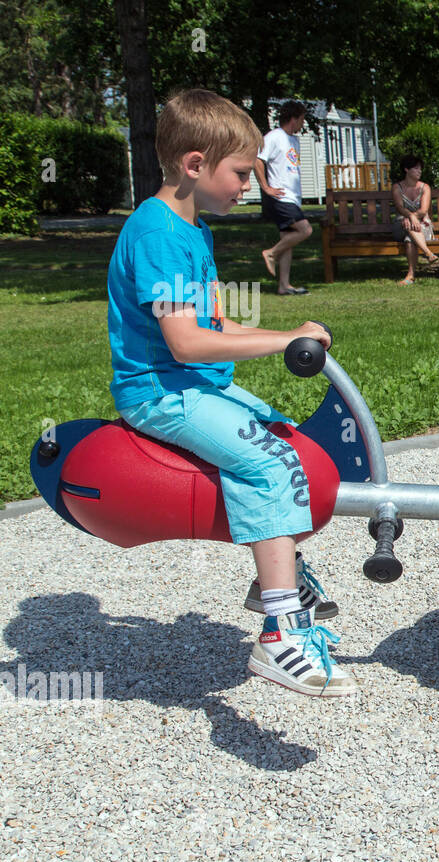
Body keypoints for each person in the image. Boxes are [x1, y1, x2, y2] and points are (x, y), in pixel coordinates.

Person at [106, 88, 355, 697]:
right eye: (242, 173)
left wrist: (291, 332)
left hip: (193, 384)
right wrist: (280, 343)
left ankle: (278, 577)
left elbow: (216, 325)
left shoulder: (194, 232)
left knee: (288, 441)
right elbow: (187, 343)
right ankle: (280, 633)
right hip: (158, 392)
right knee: (267, 463)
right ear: (195, 165)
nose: (251, 185)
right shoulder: (158, 233)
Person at [255, 100, 313, 295]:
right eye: (302, 120)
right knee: (305, 230)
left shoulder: (293, 140)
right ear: (293, 118)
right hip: (281, 197)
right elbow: (257, 161)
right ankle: (270, 253)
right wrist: (266, 187)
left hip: (292, 197)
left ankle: (284, 285)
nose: (302, 124)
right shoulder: (273, 137)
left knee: (288, 239)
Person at [390, 154, 438, 284]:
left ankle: (410, 275)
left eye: (420, 169)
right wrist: (410, 216)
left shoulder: (425, 188)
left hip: (422, 225)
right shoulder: (397, 188)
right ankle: (428, 252)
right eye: (416, 168)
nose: (420, 171)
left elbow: (423, 211)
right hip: (400, 225)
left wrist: (411, 218)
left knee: (409, 238)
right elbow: (400, 208)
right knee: (405, 223)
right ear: (406, 169)